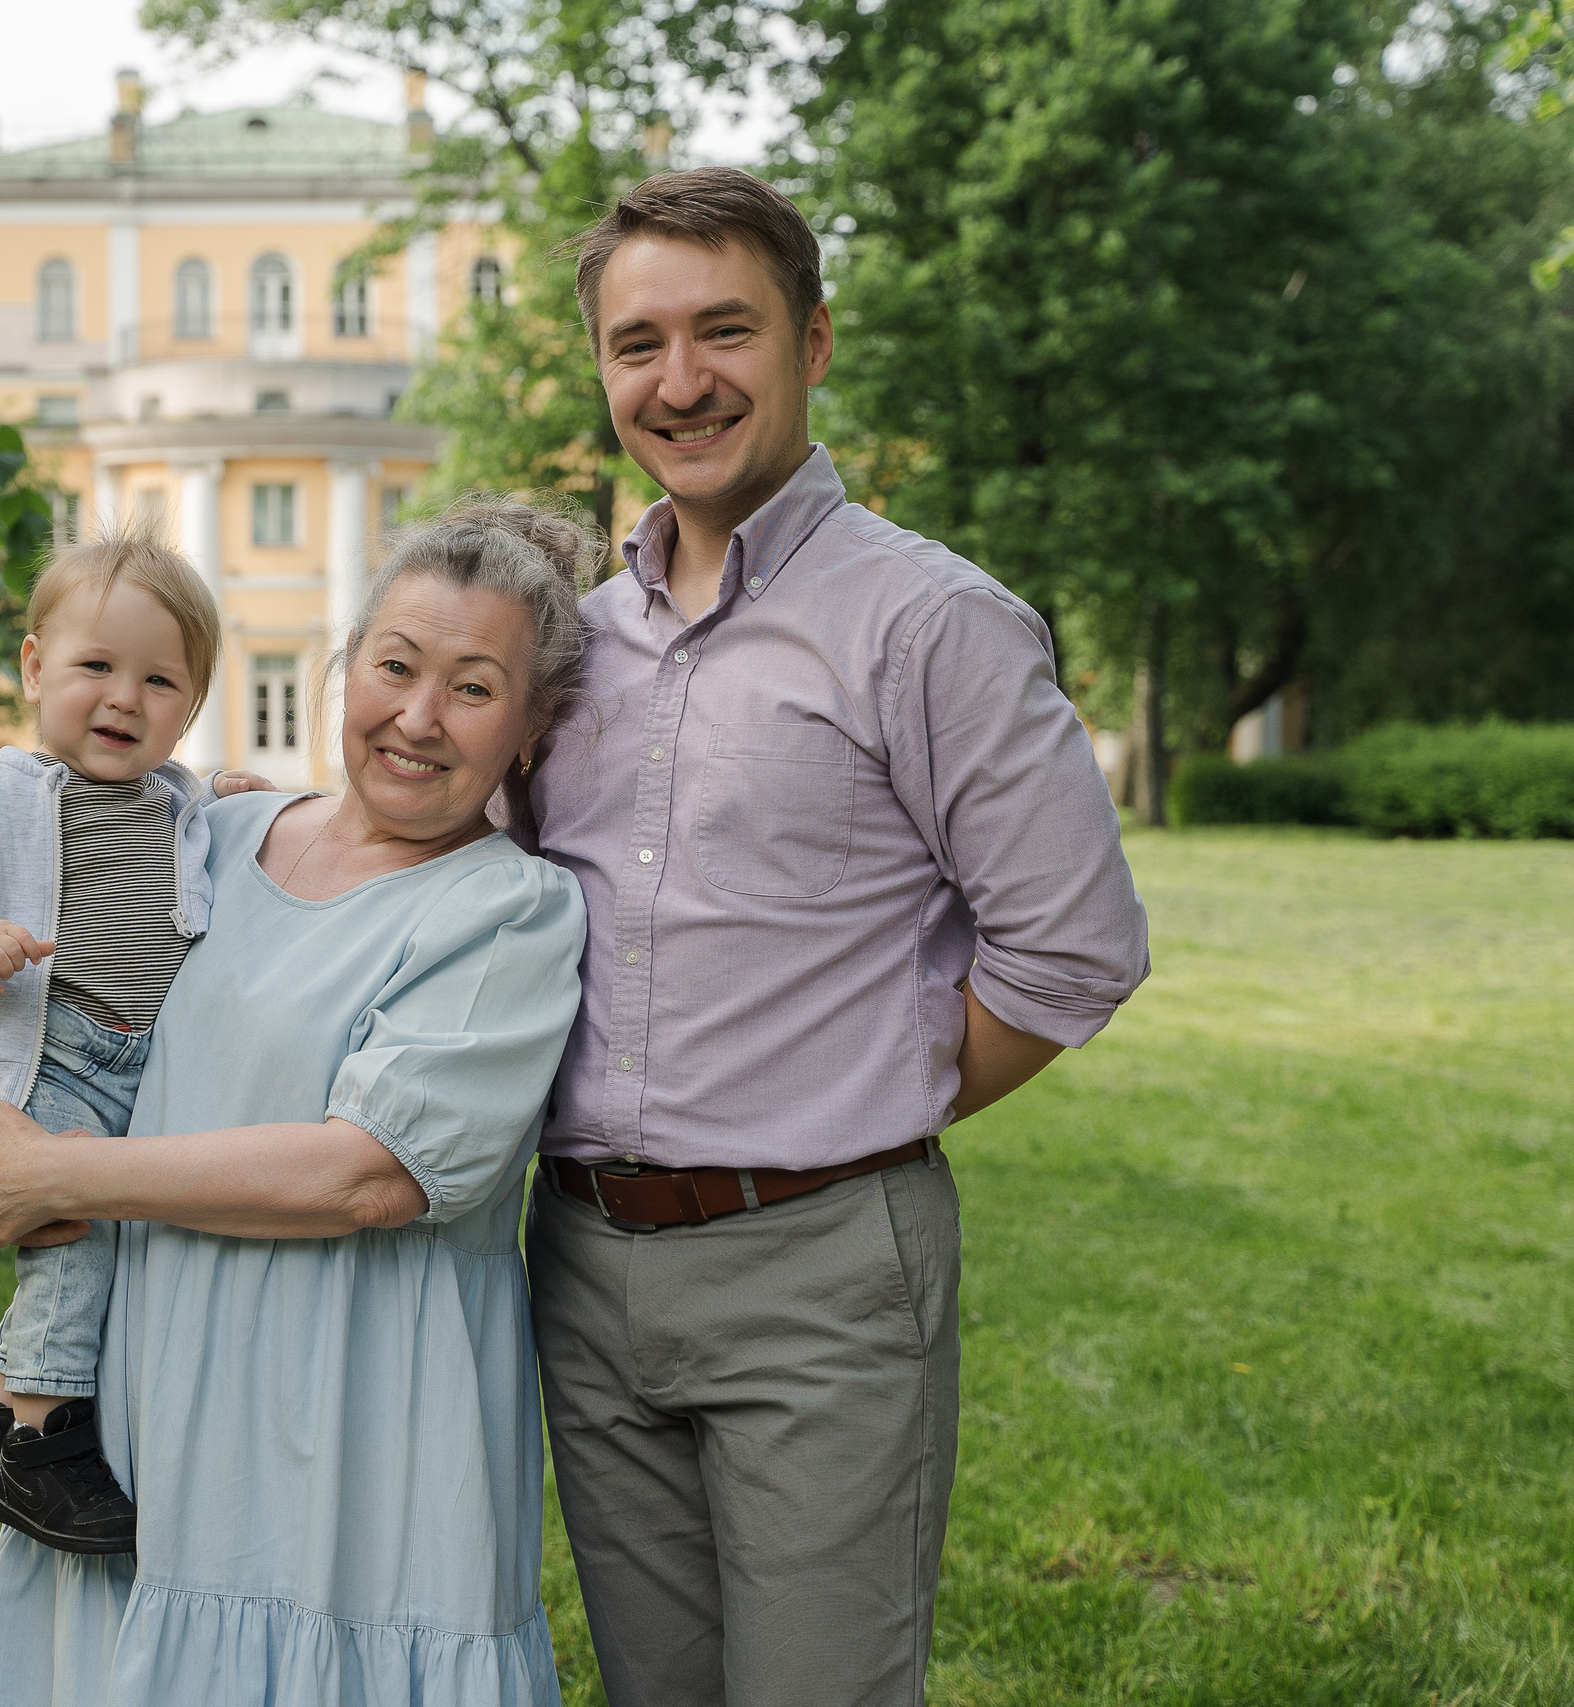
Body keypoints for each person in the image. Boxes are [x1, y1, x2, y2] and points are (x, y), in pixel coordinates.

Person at [520, 168, 1153, 1707]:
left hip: (821, 1271)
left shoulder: (932, 622)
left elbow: (1073, 950)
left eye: (723, 330)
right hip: (581, 1266)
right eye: (637, 343)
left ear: (811, 339)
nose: (680, 382)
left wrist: (852, 1105)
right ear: (602, 369)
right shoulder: (569, 643)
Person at [0, 499, 596, 1706]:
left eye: (472, 688)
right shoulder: (215, 837)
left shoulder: (507, 911)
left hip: (352, 1419)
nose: (415, 718)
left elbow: (367, 1175)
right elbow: (48, 967)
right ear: (344, 667)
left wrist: (60, 1176)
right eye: (393, 667)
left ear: (533, 726)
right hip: (150, 1394)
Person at [0, 524, 230, 1554]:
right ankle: (30, 1438)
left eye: (160, 682)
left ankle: (24, 1422)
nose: (124, 699)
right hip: (49, 1054)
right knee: (71, 1246)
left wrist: (253, 806)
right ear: (35, 667)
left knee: (127, 1241)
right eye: (95, 666)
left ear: (191, 707)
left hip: (143, 1067)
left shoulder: (183, 805)